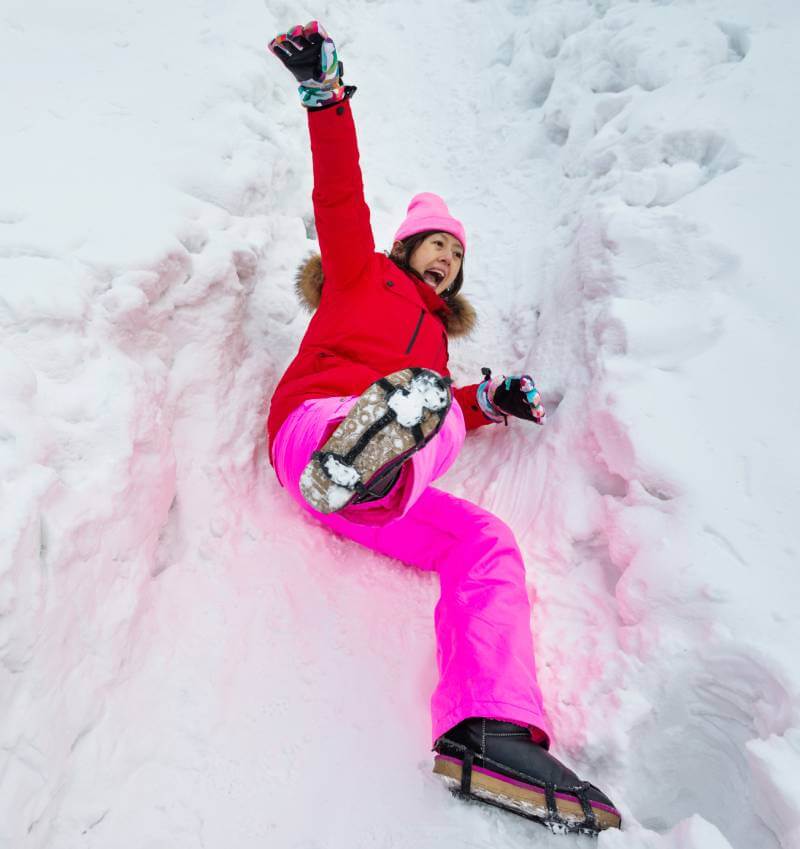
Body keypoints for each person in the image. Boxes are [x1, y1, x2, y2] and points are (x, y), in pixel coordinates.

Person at [266, 21, 621, 835]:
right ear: (404, 245)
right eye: (435, 246)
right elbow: (339, 194)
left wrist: (489, 400)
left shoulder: (434, 344)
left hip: (383, 488)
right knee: (407, 402)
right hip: (312, 432)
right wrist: (326, 100)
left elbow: (446, 408)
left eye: (455, 258)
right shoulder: (358, 273)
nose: (445, 262)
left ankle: (489, 730)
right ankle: (358, 454)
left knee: (486, 541)